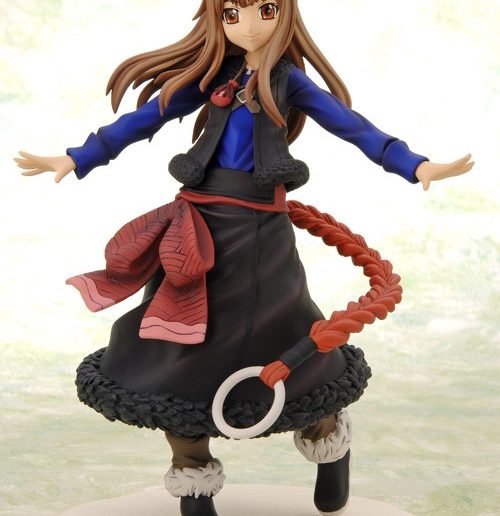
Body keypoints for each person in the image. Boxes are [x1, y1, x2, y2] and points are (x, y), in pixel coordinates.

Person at [15, 1, 473, 515]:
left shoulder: (288, 81)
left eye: (265, 9)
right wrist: (79, 156)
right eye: (233, 13)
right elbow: (147, 118)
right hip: (196, 227)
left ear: (285, 13)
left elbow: (352, 126)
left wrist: (414, 165)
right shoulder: (214, 75)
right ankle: (192, 475)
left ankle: (327, 441)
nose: (249, 25)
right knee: (178, 343)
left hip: (259, 233)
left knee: (283, 336)